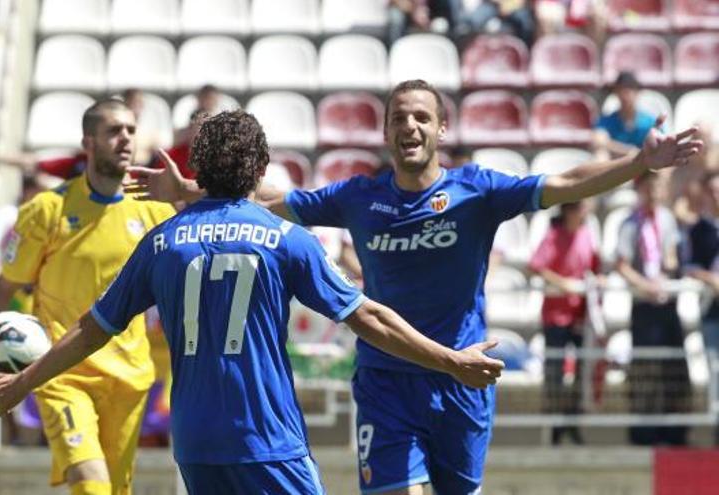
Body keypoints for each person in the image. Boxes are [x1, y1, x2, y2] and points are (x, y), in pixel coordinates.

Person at [128, 79, 703, 494]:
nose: (410, 126)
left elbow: (565, 182)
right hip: (385, 384)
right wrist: (191, 195)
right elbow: (262, 202)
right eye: (400, 117)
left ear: (441, 128)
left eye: (422, 117)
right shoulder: (358, 197)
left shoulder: (478, 191)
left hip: (463, 382)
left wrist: (638, 164)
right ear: (385, 131)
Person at [0, 110, 506, 495]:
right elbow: (367, 317)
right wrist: (452, 360)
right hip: (266, 440)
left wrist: (22, 383)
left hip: (196, 444)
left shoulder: (162, 242)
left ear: (200, 168)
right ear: (259, 169)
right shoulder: (284, 239)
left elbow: (92, 327)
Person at [0, 99, 176, 495]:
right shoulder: (47, 210)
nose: (125, 139)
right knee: (90, 483)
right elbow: (3, 288)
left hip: (130, 376)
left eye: (130, 130)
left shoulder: (154, 213)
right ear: (88, 142)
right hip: (63, 374)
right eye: (114, 130)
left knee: (115, 490)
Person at [617, 171, 691, 446]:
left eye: (658, 186)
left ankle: (674, 433)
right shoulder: (630, 223)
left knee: (674, 367)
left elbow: (670, 256)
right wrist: (645, 285)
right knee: (646, 370)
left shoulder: (667, 218)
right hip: (644, 305)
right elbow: (622, 264)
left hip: (667, 303)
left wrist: (668, 270)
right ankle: (644, 435)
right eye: (650, 187)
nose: (655, 192)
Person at [528, 200, 600, 445]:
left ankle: (573, 422)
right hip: (556, 316)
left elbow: (594, 267)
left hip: (581, 316)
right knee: (555, 373)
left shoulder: (587, 235)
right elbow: (536, 265)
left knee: (581, 373)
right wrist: (563, 284)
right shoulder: (553, 235)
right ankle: (555, 426)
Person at [682, 171, 719, 445]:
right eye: (713, 190)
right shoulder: (698, 230)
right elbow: (689, 267)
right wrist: (711, 279)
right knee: (716, 370)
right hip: (713, 313)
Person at [592, 72, 659, 161]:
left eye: (630, 89)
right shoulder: (606, 121)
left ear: (637, 92)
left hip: (644, 167)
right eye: (621, 89)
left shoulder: (649, 122)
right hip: (614, 167)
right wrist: (630, 152)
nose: (625, 95)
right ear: (616, 93)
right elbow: (598, 141)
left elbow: (658, 148)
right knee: (600, 154)